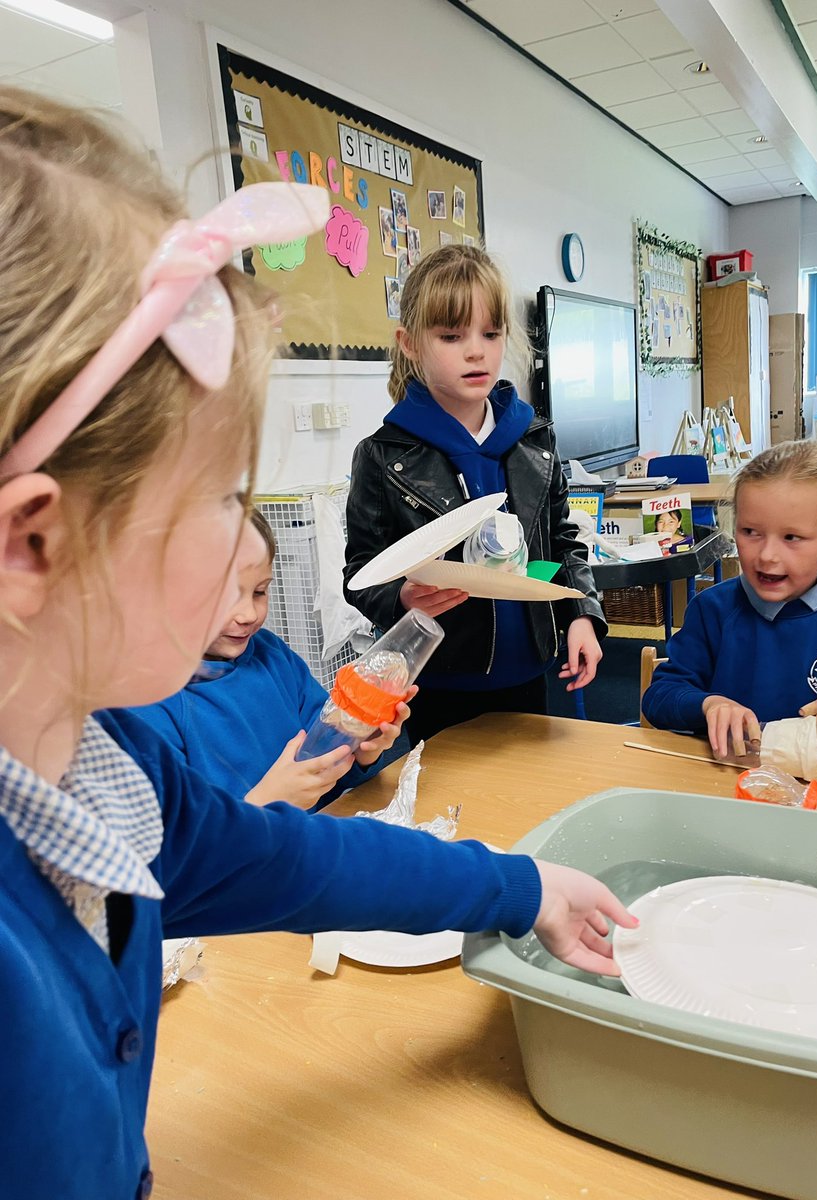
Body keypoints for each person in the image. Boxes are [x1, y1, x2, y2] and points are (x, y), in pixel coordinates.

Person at [0, 87, 637, 1198]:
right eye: (217, 496)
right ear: (35, 544)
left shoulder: (106, 772)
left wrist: (521, 884)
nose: (250, 540)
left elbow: (305, 861)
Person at [343, 244, 607, 744]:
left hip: (530, 672)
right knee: (449, 812)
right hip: (437, 680)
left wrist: (580, 614)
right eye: (451, 335)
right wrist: (400, 596)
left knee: (530, 805)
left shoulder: (534, 439)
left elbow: (558, 543)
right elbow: (360, 573)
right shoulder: (383, 455)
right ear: (410, 343)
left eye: (491, 333)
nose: (476, 350)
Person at [124, 508, 409, 810]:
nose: (249, 615)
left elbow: (327, 764)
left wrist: (361, 747)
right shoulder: (145, 704)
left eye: (259, 591)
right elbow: (178, 848)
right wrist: (265, 803)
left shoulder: (271, 654)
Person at [642, 440, 817, 754]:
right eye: (750, 531)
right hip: (733, 781)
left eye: (792, 537)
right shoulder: (713, 609)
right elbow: (661, 697)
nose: (767, 555)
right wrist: (708, 704)